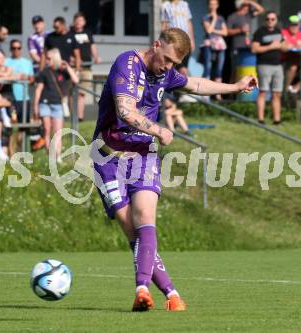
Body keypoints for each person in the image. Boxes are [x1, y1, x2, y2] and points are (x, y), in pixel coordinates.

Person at [91, 27, 256, 312]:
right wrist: (159, 130)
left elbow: (196, 85)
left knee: (145, 216)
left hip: (143, 155)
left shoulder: (165, 72)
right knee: (132, 229)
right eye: (166, 59)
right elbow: (125, 111)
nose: (168, 67)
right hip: (107, 159)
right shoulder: (128, 64)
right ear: (156, 44)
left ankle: (142, 289)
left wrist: (235, 86)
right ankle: (171, 292)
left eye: (173, 64)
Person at [33, 48, 79, 162]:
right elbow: (38, 89)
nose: (47, 60)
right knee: (47, 131)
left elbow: (76, 80)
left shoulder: (63, 71)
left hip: (57, 104)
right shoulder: (44, 72)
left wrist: (68, 67)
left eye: (49, 58)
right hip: (44, 104)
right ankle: (51, 157)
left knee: (58, 132)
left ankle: (58, 157)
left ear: (55, 58)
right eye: (47, 58)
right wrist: (35, 106)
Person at [252, 11, 285, 125]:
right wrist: (270, 46)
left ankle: (277, 120)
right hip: (264, 65)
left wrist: (284, 45)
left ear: (276, 20)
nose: (270, 21)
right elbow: (254, 49)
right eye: (268, 19)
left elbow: (284, 45)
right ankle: (260, 119)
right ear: (265, 20)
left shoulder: (279, 31)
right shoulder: (259, 32)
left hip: (278, 66)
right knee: (263, 92)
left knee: (277, 94)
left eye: (273, 19)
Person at [71, 12, 101, 121]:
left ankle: (80, 117)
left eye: (81, 21)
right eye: (77, 20)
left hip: (86, 67)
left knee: (82, 93)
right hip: (73, 67)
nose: (78, 23)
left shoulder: (88, 33)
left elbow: (92, 47)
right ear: (74, 21)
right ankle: (72, 116)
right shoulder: (70, 33)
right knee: (72, 92)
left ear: (84, 22)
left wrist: (96, 57)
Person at [227, 0, 265, 81]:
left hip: (248, 48)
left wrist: (250, 1)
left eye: (248, 5)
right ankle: (230, 93)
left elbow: (261, 10)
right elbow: (227, 32)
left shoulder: (248, 15)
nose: (248, 7)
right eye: (246, 5)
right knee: (234, 71)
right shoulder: (232, 17)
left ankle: (243, 91)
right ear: (240, 6)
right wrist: (240, 30)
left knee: (246, 72)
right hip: (237, 49)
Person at [200, 0, 227, 100]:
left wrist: (215, 29)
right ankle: (205, 94)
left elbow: (225, 32)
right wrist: (214, 19)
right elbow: (208, 30)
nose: (212, 6)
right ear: (208, 5)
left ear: (217, 5)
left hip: (220, 44)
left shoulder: (221, 18)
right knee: (208, 67)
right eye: (211, 4)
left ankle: (218, 94)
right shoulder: (205, 17)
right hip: (208, 44)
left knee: (219, 69)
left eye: (214, 4)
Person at [160, 0, 196, 77]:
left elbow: (189, 22)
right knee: (179, 66)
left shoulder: (184, 4)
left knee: (184, 66)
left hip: (186, 40)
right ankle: (185, 84)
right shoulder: (165, 5)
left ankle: (184, 84)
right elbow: (164, 24)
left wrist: (192, 40)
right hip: (174, 41)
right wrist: (162, 40)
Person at [5, 39, 35, 125]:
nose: (16, 50)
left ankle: (21, 139)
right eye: (14, 48)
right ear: (10, 49)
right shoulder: (6, 62)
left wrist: (28, 78)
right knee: (9, 127)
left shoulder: (27, 62)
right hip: (10, 99)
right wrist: (17, 76)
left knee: (24, 127)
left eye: (19, 48)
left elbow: (32, 79)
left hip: (24, 98)